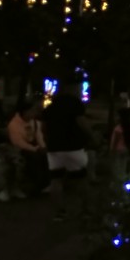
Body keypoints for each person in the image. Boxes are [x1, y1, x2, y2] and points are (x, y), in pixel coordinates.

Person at [40, 75, 93, 221]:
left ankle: (60, 212)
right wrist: (91, 136)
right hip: (73, 146)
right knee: (81, 179)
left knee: (56, 180)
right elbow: (82, 122)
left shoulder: (51, 107)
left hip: (54, 148)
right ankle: (86, 210)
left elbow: (44, 128)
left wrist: (47, 141)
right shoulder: (75, 104)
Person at [6, 96, 48, 195]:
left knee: (47, 156)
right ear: (25, 111)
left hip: (34, 146)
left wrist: (42, 147)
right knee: (34, 158)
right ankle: (37, 185)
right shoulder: (14, 125)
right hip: (21, 148)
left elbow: (39, 136)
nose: (35, 113)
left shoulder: (35, 122)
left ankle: (45, 184)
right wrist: (35, 149)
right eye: (32, 110)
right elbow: (18, 142)